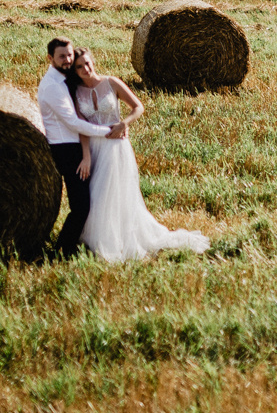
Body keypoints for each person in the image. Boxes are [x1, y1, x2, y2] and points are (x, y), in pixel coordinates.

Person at [71, 47, 209, 261]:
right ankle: (100, 238)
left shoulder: (112, 83)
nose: (85, 68)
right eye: (79, 66)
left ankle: (123, 238)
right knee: (97, 196)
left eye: (87, 63)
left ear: (93, 61)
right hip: (96, 148)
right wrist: (86, 156)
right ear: (74, 70)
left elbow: (138, 107)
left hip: (117, 146)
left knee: (118, 193)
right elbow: (82, 128)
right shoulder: (76, 92)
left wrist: (124, 123)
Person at [37, 37, 125, 255]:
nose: (67, 60)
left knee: (90, 200)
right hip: (66, 149)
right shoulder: (52, 87)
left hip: (76, 146)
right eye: (61, 56)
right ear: (50, 58)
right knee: (81, 206)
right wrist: (110, 131)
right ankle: (62, 250)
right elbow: (73, 123)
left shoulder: (63, 81)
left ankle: (77, 243)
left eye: (69, 55)